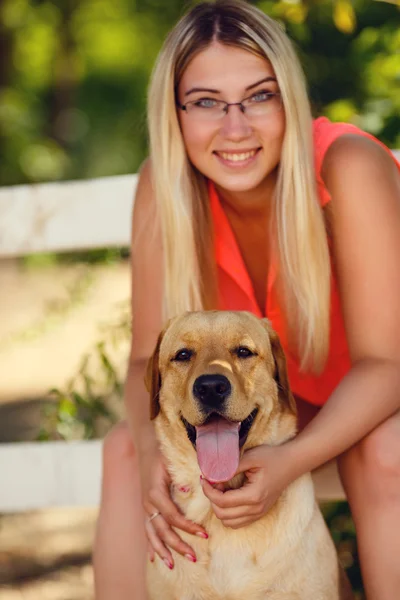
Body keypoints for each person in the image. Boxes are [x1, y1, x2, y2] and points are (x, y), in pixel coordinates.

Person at [92, 1, 400, 599]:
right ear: (174, 113)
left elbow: (387, 366)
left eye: (259, 96)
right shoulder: (164, 187)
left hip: (377, 399)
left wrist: (291, 460)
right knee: (126, 449)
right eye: (206, 102)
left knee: (383, 449)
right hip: (280, 404)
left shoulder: (349, 165)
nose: (235, 128)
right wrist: (158, 448)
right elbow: (143, 364)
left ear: (290, 100)